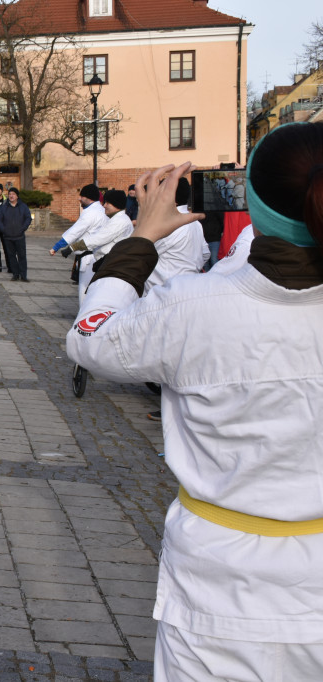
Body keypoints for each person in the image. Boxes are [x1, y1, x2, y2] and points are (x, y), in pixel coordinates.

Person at [66, 121, 323, 681]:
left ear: (249, 200)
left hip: (221, 580)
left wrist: (141, 237)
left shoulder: (192, 308)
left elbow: (91, 337)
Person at [53, 189, 133, 301]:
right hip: (106, 264)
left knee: (91, 297)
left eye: (107, 203)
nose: (104, 205)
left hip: (111, 266)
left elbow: (97, 238)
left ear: (117, 205)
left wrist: (72, 247)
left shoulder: (120, 221)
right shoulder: (115, 219)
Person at [144, 177, 209, 293]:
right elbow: (205, 253)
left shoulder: (166, 224)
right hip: (189, 287)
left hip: (163, 292)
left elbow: (141, 254)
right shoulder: (195, 222)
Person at [0, 187, 31, 282]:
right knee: (11, 256)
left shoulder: (23, 206)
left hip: (19, 236)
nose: (11, 196)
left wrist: (23, 228)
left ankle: (23, 275)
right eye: (10, 194)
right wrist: (4, 230)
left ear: (17, 196)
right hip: (8, 236)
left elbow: (28, 218)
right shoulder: (4, 207)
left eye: (13, 194)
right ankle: (15, 274)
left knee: (22, 256)